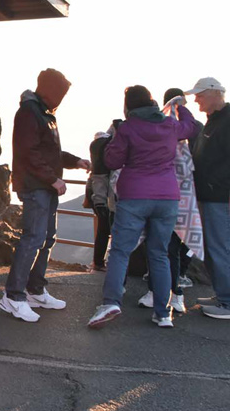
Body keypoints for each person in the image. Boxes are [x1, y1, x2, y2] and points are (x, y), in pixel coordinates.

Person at [87, 86, 201, 329]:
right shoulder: (170, 126)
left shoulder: (128, 128)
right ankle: (162, 313)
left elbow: (112, 161)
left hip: (134, 197)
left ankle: (111, 302)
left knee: (120, 252)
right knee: (159, 254)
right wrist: (180, 107)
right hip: (167, 198)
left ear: (128, 105)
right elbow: (192, 127)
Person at [0, 69, 91, 323]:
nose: (62, 99)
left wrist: (76, 162)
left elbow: (51, 153)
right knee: (33, 239)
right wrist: (52, 179)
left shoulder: (44, 113)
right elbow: (29, 153)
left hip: (45, 188)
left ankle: (35, 290)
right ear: (50, 90)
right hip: (35, 188)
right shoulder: (30, 112)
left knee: (46, 238)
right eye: (60, 93)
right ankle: (13, 296)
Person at [137, 88, 203, 314]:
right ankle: (169, 293)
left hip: (166, 193)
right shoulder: (192, 127)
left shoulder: (164, 125)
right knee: (168, 247)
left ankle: (165, 293)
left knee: (162, 246)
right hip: (183, 195)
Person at [187, 77, 230, 320]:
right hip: (209, 194)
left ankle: (227, 301)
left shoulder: (227, 121)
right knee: (213, 248)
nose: (197, 100)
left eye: (200, 95)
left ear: (215, 94)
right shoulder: (214, 121)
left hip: (220, 196)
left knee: (220, 247)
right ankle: (222, 293)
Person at [87, 120, 121, 271]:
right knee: (111, 229)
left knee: (103, 229)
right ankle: (105, 263)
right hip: (107, 196)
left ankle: (98, 262)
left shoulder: (97, 148)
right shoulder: (110, 145)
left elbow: (98, 177)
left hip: (96, 194)